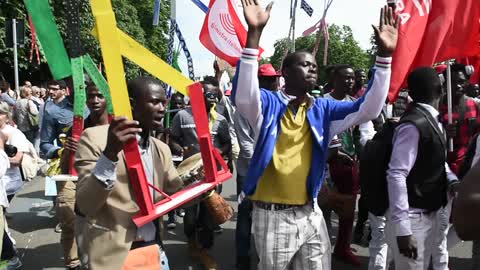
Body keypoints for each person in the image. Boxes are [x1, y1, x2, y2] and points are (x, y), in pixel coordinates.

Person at [234, 2, 397, 269]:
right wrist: (254, 34)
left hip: (311, 214)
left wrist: (384, 57)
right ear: (285, 73)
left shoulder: (323, 109)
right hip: (273, 217)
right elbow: (243, 95)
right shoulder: (267, 104)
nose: (312, 69)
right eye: (304, 65)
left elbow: (368, 108)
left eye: (314, 66)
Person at [75, 77, 183, 270]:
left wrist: (203, 184)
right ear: (132, 104)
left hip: (155, 253)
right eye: (154, 102)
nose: (162, 109)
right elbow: (85, 205)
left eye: (163, 103)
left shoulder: (161, 148)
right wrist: (109, 155)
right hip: (114, 258)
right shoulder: (95, 138)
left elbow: (176, 193)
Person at [385, 67, 459, 270]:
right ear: (440, 90)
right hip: (413, 219)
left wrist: (452, 180)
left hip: (428, 214)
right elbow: (397, 174)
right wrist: (403, 229)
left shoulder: (430, 120)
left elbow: (433, 161)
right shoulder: (413, 125)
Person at [170, 79, 231, 270]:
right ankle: (191, 242)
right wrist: (181, 149)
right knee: (190, 215)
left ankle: (205, 251)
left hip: (212, 174)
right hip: (190, 177)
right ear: (197, 94)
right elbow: (172, 138)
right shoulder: (182, 116)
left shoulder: (220, 119)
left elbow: (227, 143)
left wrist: (220, 152)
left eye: (215, 93)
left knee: (209, 215)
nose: (212, 96)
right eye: (208, 93)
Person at [323, 64, 376, 266]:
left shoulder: (355, 104)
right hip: (325, 162)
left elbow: (365, 133)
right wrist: (335, 150)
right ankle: (323, 247)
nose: (350, 81)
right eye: (345, 78)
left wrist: (369, 150)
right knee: (324, 206)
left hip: (348, 165)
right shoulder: (321, 103)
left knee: (347, 209)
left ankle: (342, 248)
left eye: (352, 78)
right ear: (334, 79)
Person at [56, 83, 110, 269]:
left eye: (100, 96)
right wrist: (67, 152)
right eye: (91, 96)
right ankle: (73, 263)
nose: (94, 100)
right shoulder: (78, 129)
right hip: (78, 182)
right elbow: (65, 167)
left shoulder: (116, 127)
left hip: (106, 185)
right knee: (68, 217)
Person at [234, 64, 279, 270]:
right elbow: (246, 146)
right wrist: (264, 166)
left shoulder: (277, 105)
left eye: (275, 79)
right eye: (269, 80)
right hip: (250, 173)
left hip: (272, 173)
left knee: (269, 218)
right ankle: (242, 260)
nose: (274, 83)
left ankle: (267, 260)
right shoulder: (243, 107)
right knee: (245, 217)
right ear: (258, 82)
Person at [0, 102, 28, 269]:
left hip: (9, 184)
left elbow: (17, 160)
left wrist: (2, 151)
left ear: (7, 115)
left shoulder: (14, 134)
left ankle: (9, 255)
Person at [440, 63, 479, 175]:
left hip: (467, 164)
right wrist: (443, 133)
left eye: (461, 82)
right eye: (452, 82)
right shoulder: (437, 106)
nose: (458, 86)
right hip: (443, 165)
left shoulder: (474, 105)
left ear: (467, 83)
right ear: (445, 84)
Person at [40, 80, 74, 160]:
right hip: (68, 161)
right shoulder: (50, 110)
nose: (51, 91)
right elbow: (45, 143)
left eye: (54, 89)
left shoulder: (93, 107)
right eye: (50, 89)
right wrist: (61, 152)